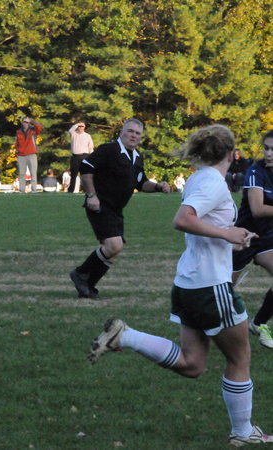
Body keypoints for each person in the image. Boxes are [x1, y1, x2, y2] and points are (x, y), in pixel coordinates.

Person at [88, 124, 272, 447]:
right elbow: (183, 219)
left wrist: (231, 241)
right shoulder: (212, 182)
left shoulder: (199, 178)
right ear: (232, 154)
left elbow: (202, 225)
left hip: (189, 282)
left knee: (193, 364)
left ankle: (125, 335)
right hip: (211, 286)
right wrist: (228, 233)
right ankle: (243, 432)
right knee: (240, 358)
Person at [69, 119, 170, 299]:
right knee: (114, 245)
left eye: (137, 133)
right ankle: (80, 274)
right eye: (130, 131)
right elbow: (86, 167)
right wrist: (91, 195)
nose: (133, 135)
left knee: (113, 252)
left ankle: (87, 287)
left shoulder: (137, 157)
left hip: (116, 209)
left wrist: (157, 186)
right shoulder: (108, 150)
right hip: (100, 205)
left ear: (141, 137)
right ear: (122, 132)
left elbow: (141, 183)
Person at [233, 130, 273, 349]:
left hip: (267, 238)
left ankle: (258, 323)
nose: (269, 153)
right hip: (243, 237)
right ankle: (201, 329)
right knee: (224, 291)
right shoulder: (255, 171)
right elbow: (257, 209)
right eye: (266, 148)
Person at [15, 117, 43, 194]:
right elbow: (17, 143)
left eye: (27, 122)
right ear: (22, 123)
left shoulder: (33, 131)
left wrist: (31, 121)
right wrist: (17, 152)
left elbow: (39, 126)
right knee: (21, 174)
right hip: (21, 155)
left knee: (33, 173)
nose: (26, 124)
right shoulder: (18, 132)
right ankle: (22, 190)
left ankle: (34, 190)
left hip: (32, 154)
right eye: (24, 122)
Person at [67, 121, 94, 193]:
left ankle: (86, 190)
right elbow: (70, 130)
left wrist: (91, 158)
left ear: (84, 127)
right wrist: (78, 124)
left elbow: (91, 147)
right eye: (79, 126)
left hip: (84, 156)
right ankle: (71, 190)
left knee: (84, 174)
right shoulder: (73, 134)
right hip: (75, 156)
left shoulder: (87, 136)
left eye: (82, 126)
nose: (81, 127)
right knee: (73, 174)